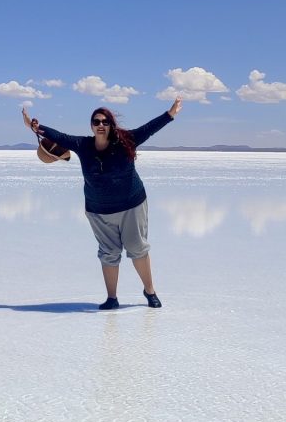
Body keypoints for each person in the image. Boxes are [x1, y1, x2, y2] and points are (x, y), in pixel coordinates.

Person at [22, 98, 183, 310]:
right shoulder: (84, 145)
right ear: (91, 125)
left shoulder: (127, 140)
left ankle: (149, 290)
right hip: (99, 210)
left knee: (137, 248)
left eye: (105, 122)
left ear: (111, 125)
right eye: (96, 121)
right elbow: (58, 136)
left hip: (131, 205)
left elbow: (150, 128)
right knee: (109, 253)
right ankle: (112, 298)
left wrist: (169, 114)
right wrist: (36, 127)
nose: (100, 125)